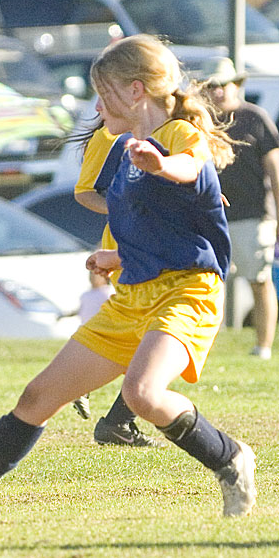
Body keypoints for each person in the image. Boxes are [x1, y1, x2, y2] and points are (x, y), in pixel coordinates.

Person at [0, 35, 256, 519]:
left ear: (135, 90)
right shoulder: (124, 150)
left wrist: (164, 165)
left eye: (102, 92)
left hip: (187, 292)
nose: (95, 105)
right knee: (37, 397)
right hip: (132, 296)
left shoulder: (176, 135)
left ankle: (230, 457)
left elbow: (190, 165)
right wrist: (116, 256)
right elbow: (155, 223)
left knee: (142, 394)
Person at [71, 124, 164, 448]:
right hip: (131, 244)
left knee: (150, 333)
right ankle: (87, 386)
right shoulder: (110, 137)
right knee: (156, 335)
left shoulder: (163, 129)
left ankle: (113, 416)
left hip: (157, 242)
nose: (101, 106)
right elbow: (85, 191)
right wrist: (125, 209)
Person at [200, 56, 279, 360]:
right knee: (207, 285)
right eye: (212, 86)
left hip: (253, 215)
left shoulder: (254, 117)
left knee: (259, 280)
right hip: (211, 217)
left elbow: (275, 170)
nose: (218, 91)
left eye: (223, 84)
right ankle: (204, 348)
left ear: (236, 84)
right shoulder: (200, 122)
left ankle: (263, 347)